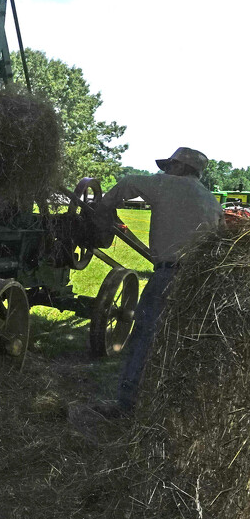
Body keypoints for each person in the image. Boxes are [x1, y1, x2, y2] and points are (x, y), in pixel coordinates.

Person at [95, 146, 222, 416]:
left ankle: (125, 405)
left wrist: (104, 208)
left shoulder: (166, 184)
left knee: (144, 336)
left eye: (170, 166)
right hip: (201, 280)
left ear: (180, 168)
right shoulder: (211, 200)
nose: (165, 171)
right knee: (179, 341)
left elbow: (129, 181)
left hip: (169, 274)